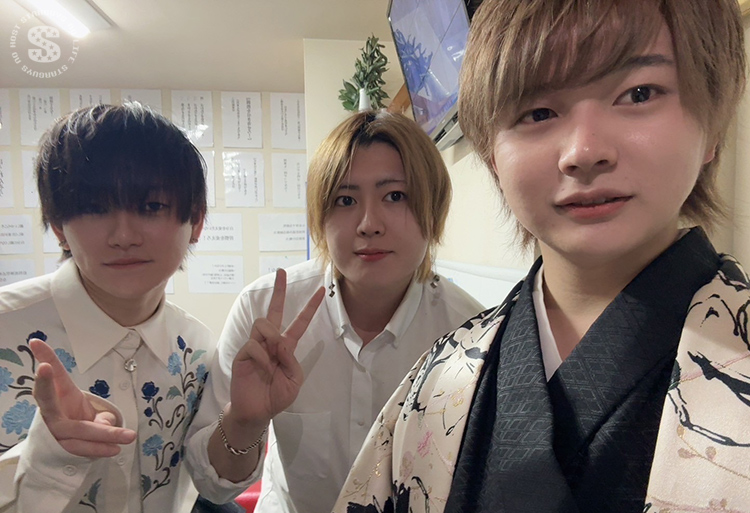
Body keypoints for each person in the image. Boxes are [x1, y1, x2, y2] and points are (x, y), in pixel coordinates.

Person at [333, 1, 750, 512]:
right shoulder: (440, 378)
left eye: (639, 93)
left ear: (712, 125)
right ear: (492, 155)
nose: (584, 151)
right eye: (538, 113)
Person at [184, 110, 484, 513]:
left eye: (395, 196)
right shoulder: (264, 312)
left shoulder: (470, 335)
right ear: (320, 218)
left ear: (434, 209)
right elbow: (212, 488)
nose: (369, 224)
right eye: (345, 200)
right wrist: (244, 421)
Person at [0, 103, 213, 513]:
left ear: (196, 221)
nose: (124, 236)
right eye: (95, 208)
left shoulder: (199, 350)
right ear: (59, 227)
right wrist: (47, 460)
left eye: (150, 207)